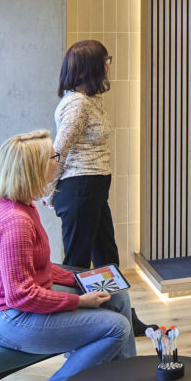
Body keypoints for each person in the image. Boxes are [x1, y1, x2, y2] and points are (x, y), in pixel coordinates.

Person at [0, 130, 135, 381]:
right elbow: (22, 296)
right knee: (116, 327)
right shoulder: (14, 222)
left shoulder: (22, 205)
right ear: (33, 169)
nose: (58, 162)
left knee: (116, 294)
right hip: (3, 318)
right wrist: (79, 299)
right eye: (53, 157)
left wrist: (81, 280)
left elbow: (40, 267)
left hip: (17, 305)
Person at [50, 39, 118, 270]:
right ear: (93, 66)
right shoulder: (77, 104)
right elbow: (59, 150)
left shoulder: (91, 100)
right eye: (105, 60)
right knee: (78, 263)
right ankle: (77, 306)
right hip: (80, 187)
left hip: (94, 187)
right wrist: (49, 188)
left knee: (107, 258)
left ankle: (113, 305)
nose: (108, 65)